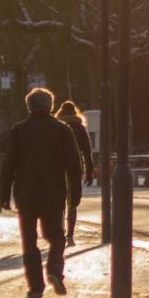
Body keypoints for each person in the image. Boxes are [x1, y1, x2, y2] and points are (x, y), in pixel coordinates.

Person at [0, 88, 84, 298]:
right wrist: (75, 194)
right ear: (50, 106)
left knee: (29, 240)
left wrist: (3, 194)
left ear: (29, 107)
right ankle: (54, 270)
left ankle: (35, 286)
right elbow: (74, 165)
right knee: (56, 236)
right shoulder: (62, 129)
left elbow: (8, 165)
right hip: (53, 191)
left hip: (26, 192)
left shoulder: (18, 130)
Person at [57, 97, 94, 242]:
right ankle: (70, 235)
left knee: (59, 200)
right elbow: (87, 150)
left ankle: (60, 230)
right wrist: (89, 170)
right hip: (75, 166)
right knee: (73, 201)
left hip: (57, 166)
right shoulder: (80, 127)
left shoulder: (57, 126)